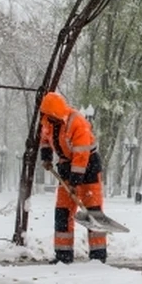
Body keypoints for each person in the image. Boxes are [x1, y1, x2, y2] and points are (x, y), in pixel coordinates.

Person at [38, 92, 107, 263]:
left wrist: (75, 183)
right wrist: (46, 157)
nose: (47, 119)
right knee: (62, 211)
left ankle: (98, 257)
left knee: (93, 212)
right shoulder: (48, 121)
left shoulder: (77, 122)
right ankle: (63, 255)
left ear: (57, 113)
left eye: (50, 116)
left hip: (89, 167)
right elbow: (45, 139)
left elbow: (82, 155)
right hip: (66, 167)